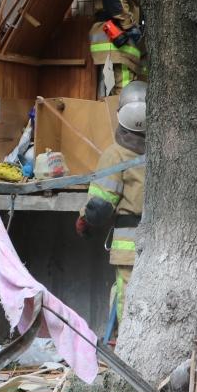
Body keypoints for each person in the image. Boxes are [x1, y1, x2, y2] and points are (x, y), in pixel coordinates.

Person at [74, 82, 147, 335]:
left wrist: (85, 222)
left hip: (129, 246)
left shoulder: (115, 154)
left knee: (128, 301)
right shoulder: (164, 153)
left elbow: (100, 208)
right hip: (161, 243)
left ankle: (128, 356)